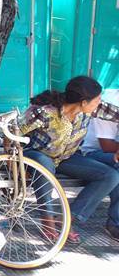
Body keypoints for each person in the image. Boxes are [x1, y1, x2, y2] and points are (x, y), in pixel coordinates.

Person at [20, 76, 119, 243]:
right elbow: (13, 131)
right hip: (36, 154)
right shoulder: (45, 112)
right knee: (45, 164)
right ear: (84, 102)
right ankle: (47, 220)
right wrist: (12, 162)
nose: (99, 103)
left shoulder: (90, 110)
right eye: (97, 99)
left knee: (110, 176)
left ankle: (67, 219)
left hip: (66, 157)